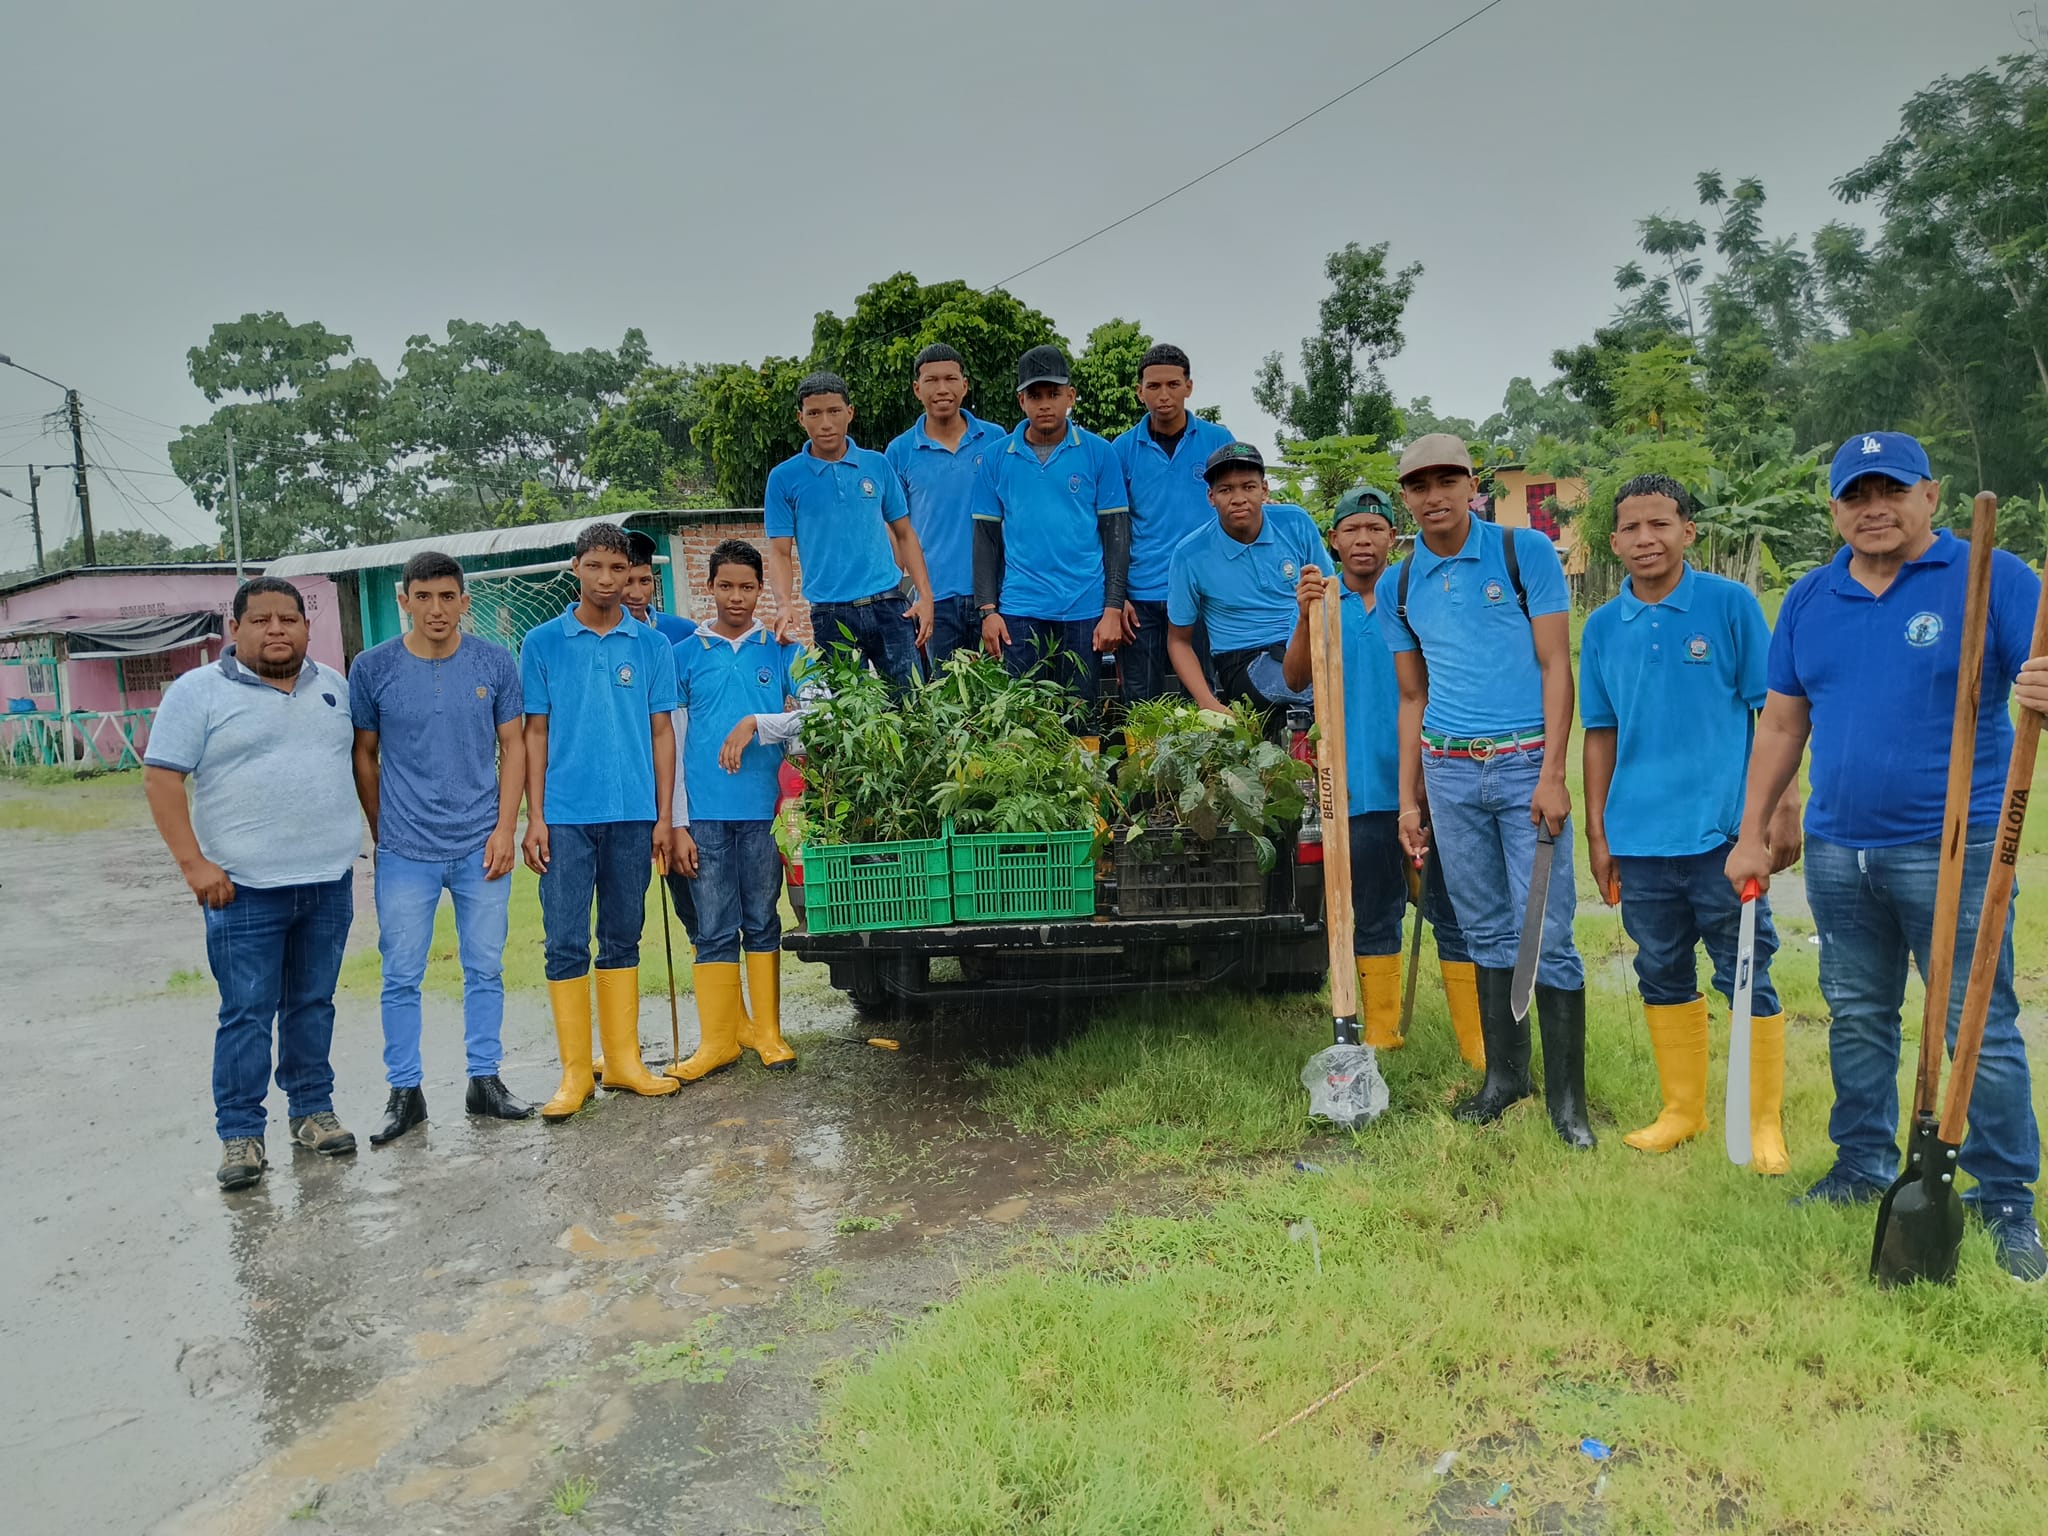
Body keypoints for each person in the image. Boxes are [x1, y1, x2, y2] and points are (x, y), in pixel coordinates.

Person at [1727, 432, 2044, 1279]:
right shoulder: (1811, 597)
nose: (1873, 509)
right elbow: (1783, 722)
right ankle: (1862, 1163)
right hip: (1839, 850)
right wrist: (1753, 830)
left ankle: (2005, 1197)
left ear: (1930, 496)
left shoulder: (1993, 578)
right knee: (1859, 1014)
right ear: (1834, 509)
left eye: (1891, 490)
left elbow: (2040, 675)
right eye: (1856, 495)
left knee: (1976, 1025)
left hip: (1957, 848)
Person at [1579, 476, 1800, 1171]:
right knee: (1660, 970)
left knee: (1746, 972)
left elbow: (1777, 714)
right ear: (1613, 542)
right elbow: (1599, 732)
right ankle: (1682, 1109)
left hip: (1724, 837)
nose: (1646, 539)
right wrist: (1598, 833)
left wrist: (1778, 811)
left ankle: (1761, 1123)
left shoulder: (1730, 606)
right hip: (1640, 839)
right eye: (1632, 528)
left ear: (1688, 532)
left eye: (1661, 524)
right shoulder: (1602, 627)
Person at [1383, 433, 1591, 1148]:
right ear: (1405, 497)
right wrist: (1410, 801)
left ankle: (1568, 1105)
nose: (1434, 496)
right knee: (1483, 929)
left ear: (1473, 485)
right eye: (1419, 485)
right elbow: (1412, 697)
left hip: (1524, 763)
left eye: (1448, 481)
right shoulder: (1401, 585)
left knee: (1548, 932)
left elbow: (1556, 665)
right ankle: (1505, 1080)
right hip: (1447, 771)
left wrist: (1553, 774)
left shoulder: (1522, 553)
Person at [143, 577, 362, 1190]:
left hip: (327, 881)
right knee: (246, 1013)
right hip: (241, 890)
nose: (276, 629)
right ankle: (240, 1134)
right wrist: (194, 865)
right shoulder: (198, 692)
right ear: (234, 629)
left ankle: (312, 1111)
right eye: (261, 620)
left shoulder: (334, 687)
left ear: (307, 627)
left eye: (288, 619)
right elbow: (161, 780)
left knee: (312, 1003)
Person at [1281, 485, 1485, 1067]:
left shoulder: (1414, 593)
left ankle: (1477, 1046)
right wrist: (1305, 616)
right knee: (1372, 911)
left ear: (1393, 537)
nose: (1363, 540)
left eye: (1375, 529)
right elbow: (1295, 678)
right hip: (1357, 788)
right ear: (1334, 540)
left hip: (1432, 783)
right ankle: (1381, 1033)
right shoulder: (1325, 601)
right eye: (1352, 530)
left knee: (1452, 909)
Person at [348, 551, 532, 1146]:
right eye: (423, 597)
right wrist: (384, 831)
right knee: (401, 974)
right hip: (406, 850)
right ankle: (405, 1092)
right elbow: (364, 754)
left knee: (485, 967)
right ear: (403, 600)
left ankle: (485, 1080)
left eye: (447, 597)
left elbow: (515, 746)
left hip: (482, 845)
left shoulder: (494, 661)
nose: (435, 609)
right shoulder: (372, 667)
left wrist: (505, 828)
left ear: (463, 601)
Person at [520, 521, 682, 1121]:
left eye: (619, 568)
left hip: (634, 816)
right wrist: (535, 817)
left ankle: (623, 1062)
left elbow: (662, 733)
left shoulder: (652, 646)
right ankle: (574, 1073)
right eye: (596, 567)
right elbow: (534, 733)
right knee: (565, 941)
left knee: (622, 935)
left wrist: (664, 817)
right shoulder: (542, 643)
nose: (608, 579)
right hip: (564, 817)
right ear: (576, 568)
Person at [666, 539, 803, 1081]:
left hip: (764, 813)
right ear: (710, 587)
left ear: (761, 589)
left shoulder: (782, 649)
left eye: (748, 586)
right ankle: (718, 1040)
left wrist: (756, 724)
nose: (737, 597)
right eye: (726, 586)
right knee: (714, 925)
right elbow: (672, 742)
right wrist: (676, 821)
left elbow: (819, 715)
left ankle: (766, 1032)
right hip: (703, 815)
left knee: (762, 919)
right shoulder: (684, 656)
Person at [973, 345, 1130, 703]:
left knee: (1080, 715)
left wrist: (1112, 608)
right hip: (1020, 608)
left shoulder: (1099, 452)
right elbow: (985, 539)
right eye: (1035, 395)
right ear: (1021, 401)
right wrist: (988, 611)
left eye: (1053, 394)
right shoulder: (996, 457)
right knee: (1025, 717)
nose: (1045, 404)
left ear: (1070, 396)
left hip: (1085, 608)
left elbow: (1117, 537)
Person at [764, 371, 934, 686]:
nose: (825, 423)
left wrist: (925, 596)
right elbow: (780, 552)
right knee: (846, 710)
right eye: (814, 413)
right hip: (830, 615)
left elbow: (904, 533)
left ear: (850, 413)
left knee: (911, 704)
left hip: (889, 605)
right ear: (801, 418)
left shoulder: (877, 465)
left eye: (834, 411)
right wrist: (783, 604)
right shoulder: (784, 478)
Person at [1112, 343, 1235, 701]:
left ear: (1188, 387)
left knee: (1204, 698)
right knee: (1140, 703)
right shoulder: (1121, 449)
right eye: (1153, 386)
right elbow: (1111, 530)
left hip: (1204, 593)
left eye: (1172, 385)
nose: (1163, 395)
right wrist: (1118, 597)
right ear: (1140, 392)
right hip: (1142, 597)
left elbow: (1237, 512)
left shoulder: (1218, 441)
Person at [1167, 442, 1324, 716]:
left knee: (1360, 675)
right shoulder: (1190, 554)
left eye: (1248, 487)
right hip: (1244, 659)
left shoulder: (1295, 522)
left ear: (1264, 490)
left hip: (1306, 640)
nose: (1238, 498)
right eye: (1226, 489)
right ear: (1211, 497)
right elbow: (1178, 641)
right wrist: (1208, 702)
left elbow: (1332, 593)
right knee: (1320, 690)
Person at [885, 344, 1008, 664]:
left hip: (995, 596)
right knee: (945, 689)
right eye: (931, 380)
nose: (942, 389)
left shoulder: (995, 440)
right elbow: (896, 531)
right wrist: (894, 594)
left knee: (1001, 687)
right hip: (934, 600)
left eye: (950, 379)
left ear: (964, 386)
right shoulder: (899, 451)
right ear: (917, 389)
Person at [624, 530, 694, 644]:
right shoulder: (595, 636)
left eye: (645, 581)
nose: (636, 595)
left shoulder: (683, 632)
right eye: (626, 582)